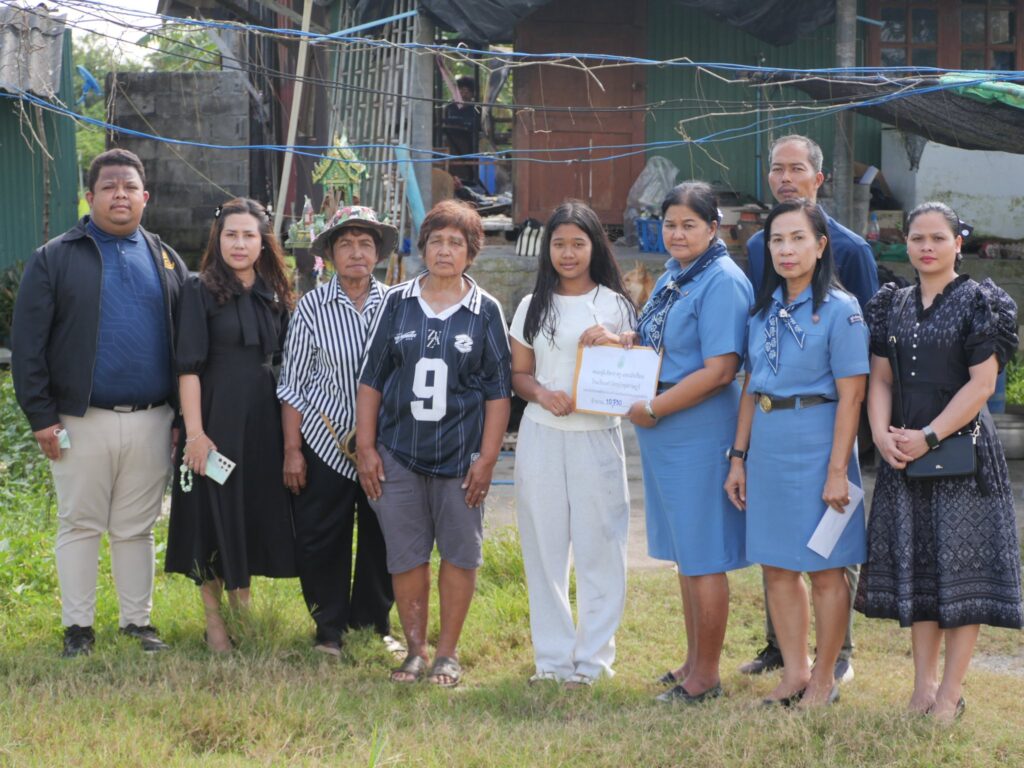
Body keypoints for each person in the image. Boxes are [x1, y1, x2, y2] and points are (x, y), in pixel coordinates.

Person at [12, 148, 187, 657]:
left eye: (129, 187)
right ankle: (78, 629)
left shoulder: (165, 259)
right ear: (90, 197)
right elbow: (28, 346)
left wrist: (181, 415)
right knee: (80, 524)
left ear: (145, 197)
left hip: (153, 418)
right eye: (109, 187)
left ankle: (137, 623)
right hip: (78, 418)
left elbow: (187, 345)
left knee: (136, 527)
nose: (120, 195)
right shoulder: (55, 258)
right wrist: (41, 416)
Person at [855, 202, 1022, 723]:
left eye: (937, 238)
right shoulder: (891, 303)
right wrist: (880, 434)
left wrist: (929, 436)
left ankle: (951, 693)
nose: (926, 247)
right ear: (905, 243)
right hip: (903, 453)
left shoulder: (980, 302)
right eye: (917, 238)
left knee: (964, 576)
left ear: (958, 243)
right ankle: (922, 688)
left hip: (963, 456)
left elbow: (983, 385)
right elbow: (880, 378)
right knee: (919, 572)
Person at [741, 134, 880, 681]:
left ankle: (834, 661)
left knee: (827, 557)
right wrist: (739, 454)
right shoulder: (760, 258)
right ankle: (788, 658)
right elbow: (754, 369)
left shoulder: (850, 261)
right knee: (777, 557)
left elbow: (858, 371)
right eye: (777, 169)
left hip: (823, 427)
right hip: (771, 433)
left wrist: (843, 460)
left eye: (796, 169)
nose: (785, 178)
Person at [356, 199, 511, 687]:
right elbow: (372, 379)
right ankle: (415, 651)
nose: (445, 251)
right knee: (407, 555)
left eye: (456, 243)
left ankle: (447, 653)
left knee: (460, 554)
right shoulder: (397, 303)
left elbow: (499, 392)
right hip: (399, 452)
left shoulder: (485, 311)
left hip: (461, 458)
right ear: (422, 247)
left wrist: (488, 458)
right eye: (437, 241)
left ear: (471, 252)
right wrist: (366, 448)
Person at [628, 182, 753, 704]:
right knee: (686, 553)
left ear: (713, 227)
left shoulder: (722, 280)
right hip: (664, 426)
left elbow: (721, 370)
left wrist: (657, 407)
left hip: (697, 426)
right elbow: (658, 340)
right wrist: (621, 342)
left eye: (689, 225)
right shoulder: (675, 275)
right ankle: (692, 660)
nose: (677, 234)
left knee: (703, 554)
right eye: (670, 224)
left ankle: (706, 677)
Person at [509, 200, 636, 687]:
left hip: (597, 437)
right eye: (559, 244)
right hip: (542, 436)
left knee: (601, 547)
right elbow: (520, 375)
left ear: (594, 246)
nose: (567, 253)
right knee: (544, 549)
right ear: (547, 249)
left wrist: (616, 343)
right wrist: (543, 393)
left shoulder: (616, 304)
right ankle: (553, 660)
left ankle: (593, 661)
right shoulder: (531, 305)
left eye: (577, 244)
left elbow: (635, 371)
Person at [164, 198, 296, 652]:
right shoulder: (198, 289)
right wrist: (195, 434)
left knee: (248, 512)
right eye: (231, 235)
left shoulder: (274, 291)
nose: (239, 244)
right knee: (213, 515)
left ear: (263, 242)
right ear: (217, 240)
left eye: (249, 235)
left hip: (263, 420)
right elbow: (188, 369)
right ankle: (215, 624)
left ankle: (244, 615)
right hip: (215, 416)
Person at [278, 206, 400, 658]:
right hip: (324, 442)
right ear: (329, 254)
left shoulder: (397, 304)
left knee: (381, 536)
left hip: (384, 445)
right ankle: (328, 628)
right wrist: (293, 450)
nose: (356, 253)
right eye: (345, 244)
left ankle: (373, 623)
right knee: (320, 537)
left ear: (378, 253)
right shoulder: (311, 307)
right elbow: (292, 385)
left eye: (365, 244)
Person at [441, 76, 482, 185]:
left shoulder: (476, 109)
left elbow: (479, 128)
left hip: (469, 144)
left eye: (466, 92)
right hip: (451, 143)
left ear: (472, 94)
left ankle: (470, 179)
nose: (463, 95)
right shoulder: (449, 108)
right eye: (461, 91)